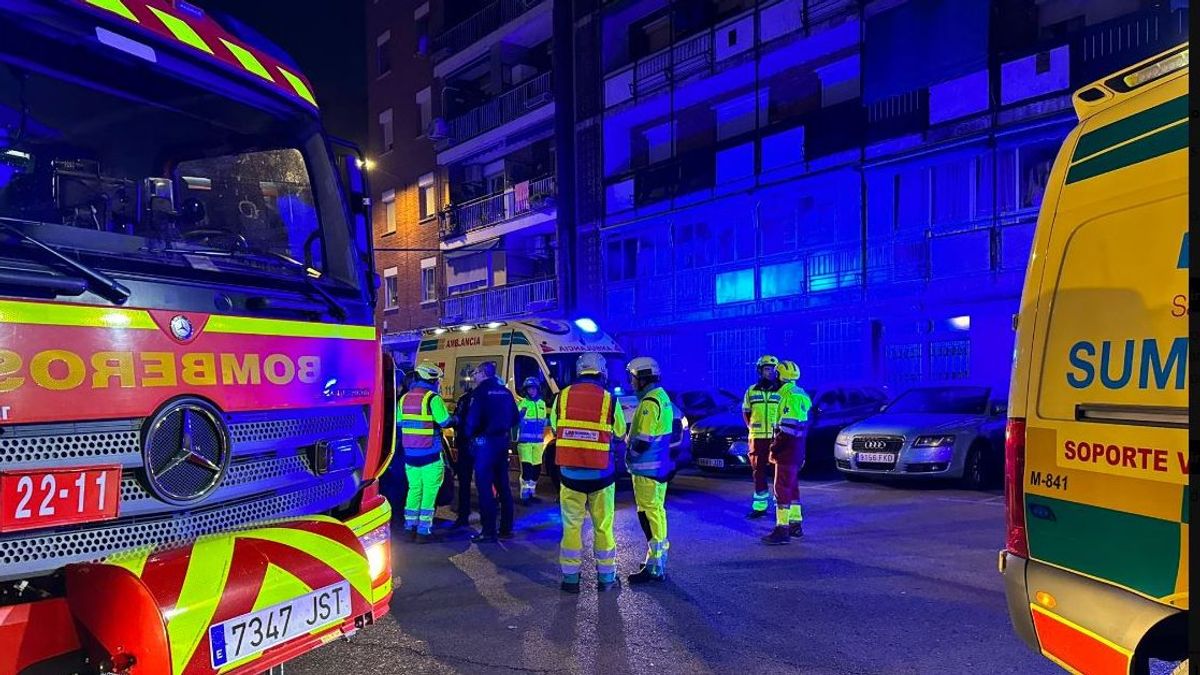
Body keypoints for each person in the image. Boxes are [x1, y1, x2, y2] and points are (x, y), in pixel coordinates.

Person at [550, 352, 627, 593]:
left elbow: (555, 427)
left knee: (571, 527)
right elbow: (620, 433)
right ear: (601, 372)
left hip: (570, 475)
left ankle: (571, 580)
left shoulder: (561, 397)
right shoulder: (609, 400)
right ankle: (606, 579)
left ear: (579, 371)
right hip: (601, 476)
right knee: (603, 527)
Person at [624, 356, 675, 584]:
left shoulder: (648, 403)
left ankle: (655, 566)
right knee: (657, 512)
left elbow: (642, 441)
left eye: (633, 378)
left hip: (646, 469)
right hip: (659, 467)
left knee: (648, 514)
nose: (631, 383)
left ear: (643, 378)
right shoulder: (662, 398)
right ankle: (657, 561)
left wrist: (628, 456)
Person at [463, 361, 520, 543]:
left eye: (476, 373)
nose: (474, 377)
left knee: (485, 488)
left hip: (485, 443)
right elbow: (515, 418)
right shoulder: (506, 392)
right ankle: (506, 528)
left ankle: (488, 531)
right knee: (503, 485)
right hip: (502, 442)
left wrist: (470, 435)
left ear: (483, 373)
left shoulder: (479, 393)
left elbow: (472, 420)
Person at [399, 361, 455, 543]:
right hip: (430, 454)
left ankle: (409, 528)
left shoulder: (405, 398)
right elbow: (445, 421)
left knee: (414, 489)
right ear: (432, 379)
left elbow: (400, 423)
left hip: (410, 454)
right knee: (429, 492)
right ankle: (423, 531)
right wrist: (458, 418)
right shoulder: (433, 398)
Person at [763, 360, 811, 545]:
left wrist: (774, 448)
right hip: (796, 450)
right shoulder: (798, 394)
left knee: (781, 489)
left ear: (781, 377)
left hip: (787, 450)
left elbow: (789, 430)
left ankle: (782, 530)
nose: (773, 378)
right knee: (792, 487)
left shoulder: (789, 396)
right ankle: (795, 525)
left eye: (776, 375)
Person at [743, 355, 784, 519]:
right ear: (760, 371)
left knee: (778, 472)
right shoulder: (751, 390)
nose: (770, 373)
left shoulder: (782, 391)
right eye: (767, 369)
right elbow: (746, 412)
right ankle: (760, 507)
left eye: (773, 370)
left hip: (776, 438)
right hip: (757, 439)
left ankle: (781, 507)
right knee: (758, 472)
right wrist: (752, 428)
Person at [451, 370, 481, 528]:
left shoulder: (463, 400)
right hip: (479, 445)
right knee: (482, 481)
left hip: (465, 444)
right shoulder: (483, 399)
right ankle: (485, 513)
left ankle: (463, 515)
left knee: (464, 482)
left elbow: (457, 420)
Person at [515, 376, 549, 505]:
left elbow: (544, 421)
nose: (531, 391)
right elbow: (516, 421)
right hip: (525, 442)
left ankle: (532, 492)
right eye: (529, 388)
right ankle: (525, 495)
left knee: (536, 469)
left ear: (537, 389)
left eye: (533, 388)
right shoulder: (522, 404)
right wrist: (520, 415)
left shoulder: (542, 404)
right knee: (527, 469)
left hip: (539, 442)